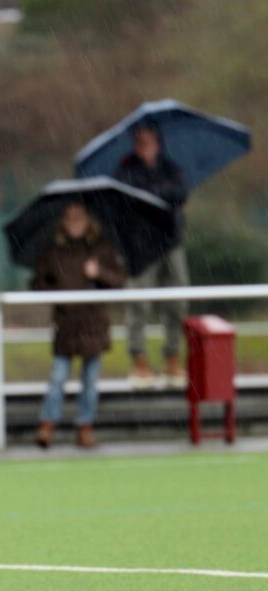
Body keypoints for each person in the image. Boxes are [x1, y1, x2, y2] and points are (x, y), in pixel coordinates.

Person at [32, 202, 126, 449]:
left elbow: (119, 281)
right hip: (66, 325)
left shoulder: (101, 250)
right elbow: (37, 284)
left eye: (79, 219)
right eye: (70, 219)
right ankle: (48, 424)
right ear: (63, 223)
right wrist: (59, 292)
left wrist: (99, 274)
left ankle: (85, 427)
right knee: (58, 378)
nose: (74, 224)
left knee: (90, 381)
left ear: (88, 223)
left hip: (93, 324)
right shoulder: (54, 252)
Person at [113, 120, 189, 389]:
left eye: (149, 140)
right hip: (140, 247)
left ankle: (172, 356)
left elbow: (179, 193)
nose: (144, 146)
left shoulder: (170, 168)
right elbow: (126, 202)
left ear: (157, 142)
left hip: (171, 242)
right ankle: (139, 359)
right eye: (139, 141)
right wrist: (154, 198)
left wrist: (154, 195)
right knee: (138, 303)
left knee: (177, 301)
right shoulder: (126, 170)